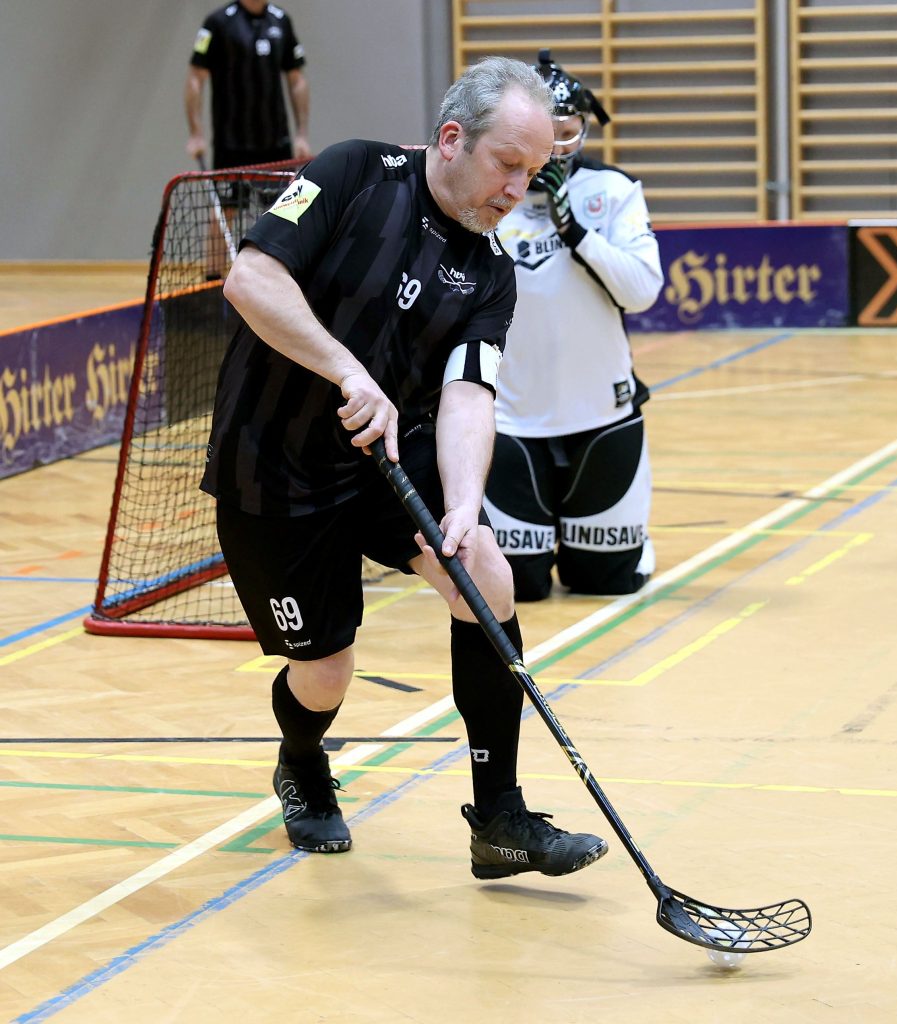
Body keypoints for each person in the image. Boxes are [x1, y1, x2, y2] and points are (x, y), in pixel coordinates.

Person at [199, 56, 609, 881]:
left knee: (484, 575)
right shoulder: (355, 174)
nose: (516, 190)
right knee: (323, 670)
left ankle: (499, 821)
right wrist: (348, 370)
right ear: (451, 139)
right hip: (272, 469)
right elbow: (251, 278)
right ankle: (303, 764)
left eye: (533, 174)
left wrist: (463, 502)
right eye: (507, 165)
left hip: (390, 456)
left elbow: (468, 393)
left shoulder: (492, 271)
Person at [484, 51, 664, 601]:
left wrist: (579, 232)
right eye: (547, 134)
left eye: (568, 133)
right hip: (509, 419)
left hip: (601, 413)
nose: (557, 148)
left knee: (603, 584)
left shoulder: (614, 191)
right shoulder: (487, 194)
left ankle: (634, 544)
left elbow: (641, 292)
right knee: (518, 589)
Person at [185, 0, 312, 170]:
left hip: (277, 148)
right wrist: (196, 134)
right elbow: (196, 78)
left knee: (285, 197)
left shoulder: (281, 20)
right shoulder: (217, 22)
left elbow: (297, 80)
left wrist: (302, 135)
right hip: (231, 149)